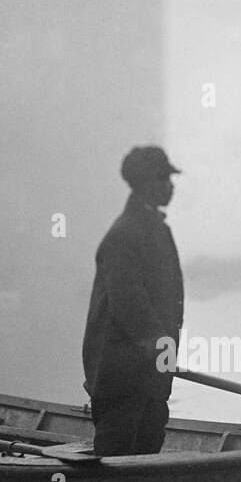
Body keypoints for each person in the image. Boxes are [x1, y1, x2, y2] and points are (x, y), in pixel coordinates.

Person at [82, 146, 185, 456]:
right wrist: (161, 346)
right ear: (146, 184)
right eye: (164, 178)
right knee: (117, 452)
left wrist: (163, 354)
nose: (171, 185)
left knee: (148, 444)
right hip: (121, 372)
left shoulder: (153, 229)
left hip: (151, 369)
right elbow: (130, 304)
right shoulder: (125, 234)